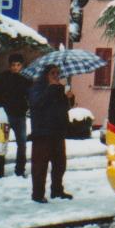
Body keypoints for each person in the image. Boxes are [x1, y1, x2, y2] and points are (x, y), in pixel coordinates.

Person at [28, 64, 73, 203]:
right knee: (40, 166)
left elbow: (63, 108)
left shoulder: (59, 88)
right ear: (45, 75)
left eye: (57, 73)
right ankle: (37, 194)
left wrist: (69, 98)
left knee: (60, 164)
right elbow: (37, 104)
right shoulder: (37, 88)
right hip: (42, 132)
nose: (56, 76)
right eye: (52, 73)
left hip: (57, 131)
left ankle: (57, 190)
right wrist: (51, 88)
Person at [0, 53, 30, 178]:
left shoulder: (25, 80)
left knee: (22, 144)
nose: (15, 68)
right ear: (9, 65)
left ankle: (20, 170)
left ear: (21, 66)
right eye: (13, 65)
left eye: (18, 65)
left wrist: (26, 107)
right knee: (1, 144)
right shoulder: (0, 78)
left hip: (19, 116)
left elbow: (29, 96)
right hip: (4, 115)